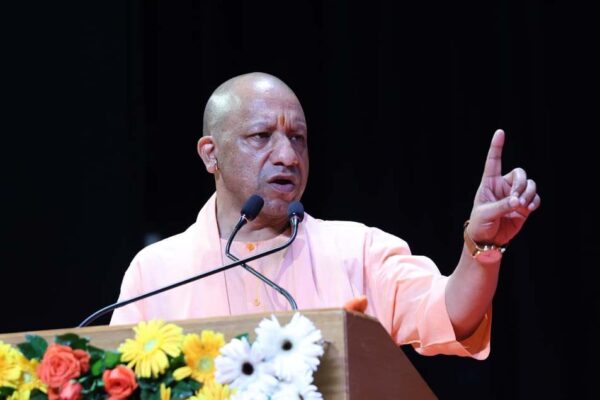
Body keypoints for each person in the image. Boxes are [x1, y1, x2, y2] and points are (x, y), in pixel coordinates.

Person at [110, 72, 540, 359]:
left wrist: (483, 246)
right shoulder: (157, 271)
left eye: (297, 138)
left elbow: (451, 314)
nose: (287, 155)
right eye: (261, 136)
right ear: (211, 154)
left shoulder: (357, 250)